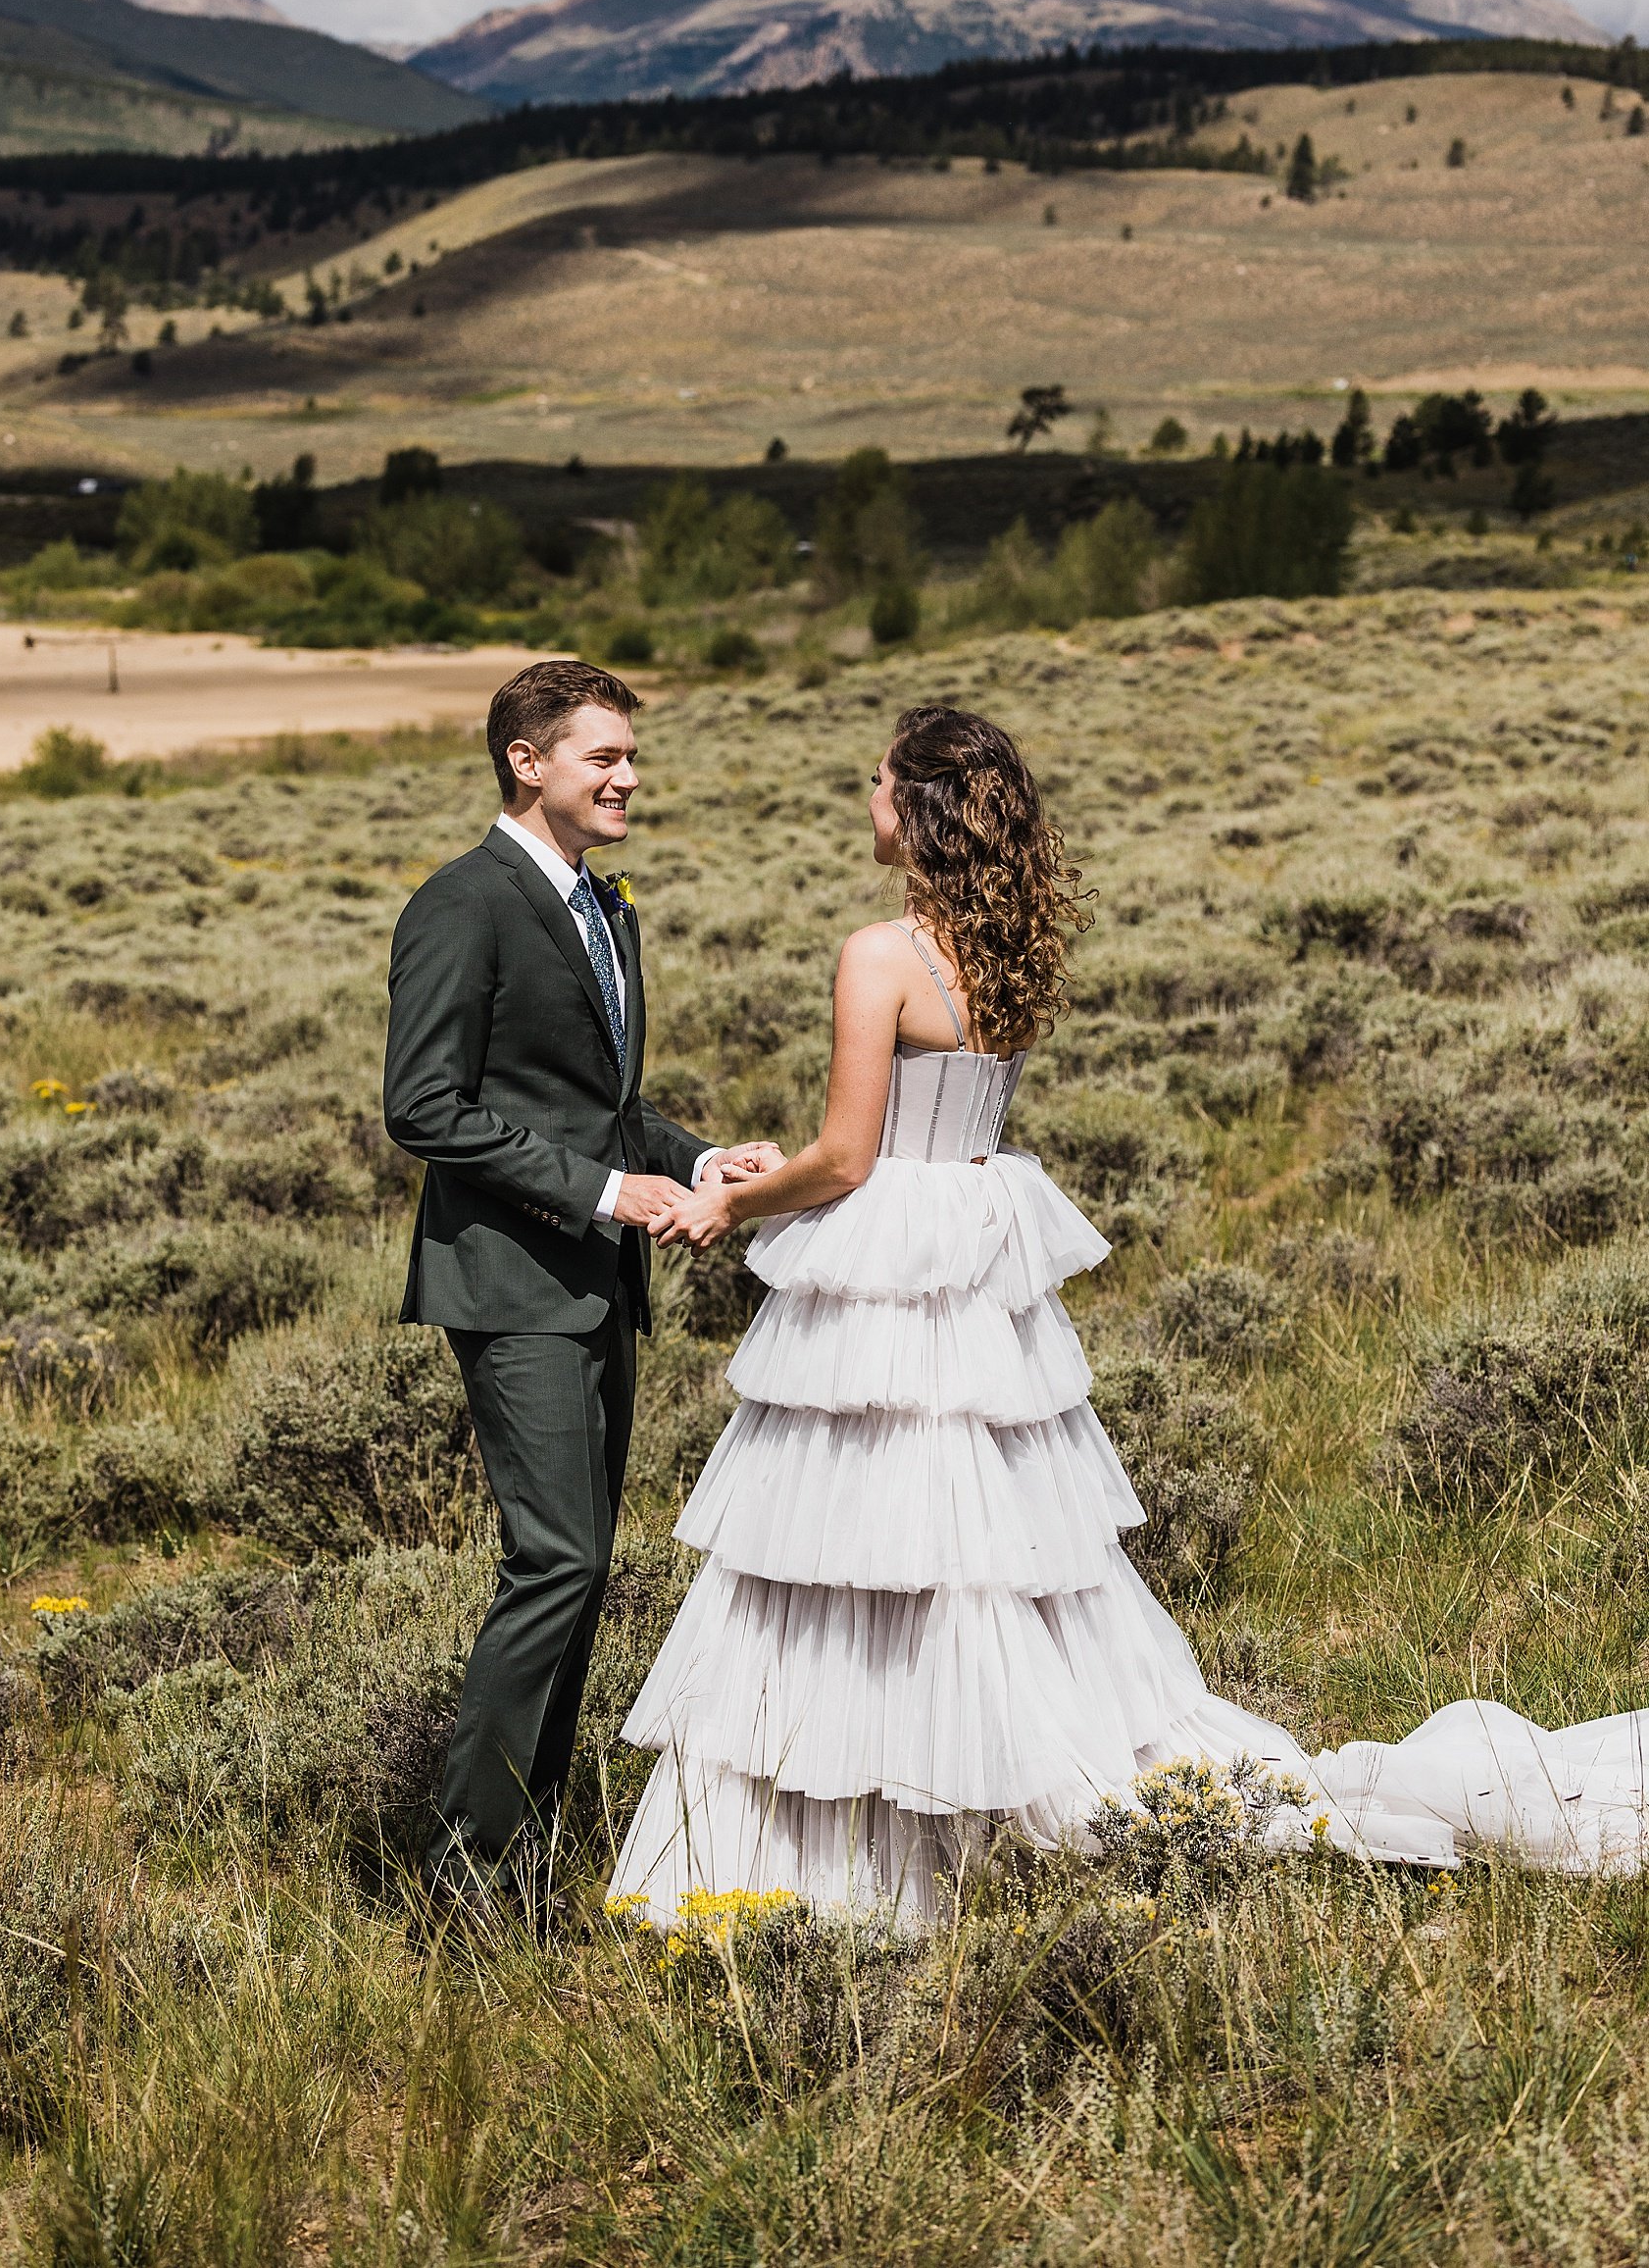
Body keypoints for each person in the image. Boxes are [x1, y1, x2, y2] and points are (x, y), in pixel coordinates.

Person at [616, 703, 1649, 1922]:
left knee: (859, 1550)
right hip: (971, 1248)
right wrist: (770, 1167)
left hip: (895, 1267)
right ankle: (980, 1801)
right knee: (979, 1552)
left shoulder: (879, 953)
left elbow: (846, 1161)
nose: (869, 799)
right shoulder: (1002, 948)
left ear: (923, 805)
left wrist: (730, 1207)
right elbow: (909, 1138)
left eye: (882, 781)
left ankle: (859, 1846)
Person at [382, 657, 782, 1912]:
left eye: (628, 757)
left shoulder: (606, 909)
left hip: (595, 1285)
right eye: (602, 757)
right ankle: (465, 1874)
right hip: (510, 1285)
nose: (627, 778)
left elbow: (602, 1108)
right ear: (527, 761)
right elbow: (424, 1109)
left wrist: (694, 1158)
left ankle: (527, 1857)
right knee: (557, 1561)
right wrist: (610, 1195)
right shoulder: (464, 904)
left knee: (586, 1564)